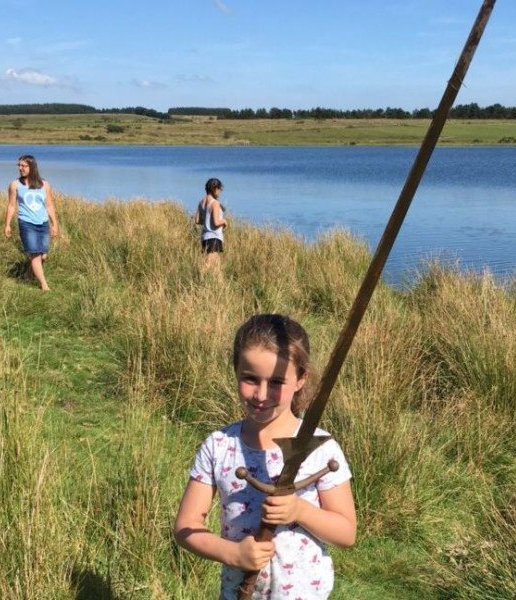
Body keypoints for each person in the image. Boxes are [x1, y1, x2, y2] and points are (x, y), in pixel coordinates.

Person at [174, 314, 356, 600]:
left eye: (276, 382)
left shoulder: (320, 448)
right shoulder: (219, 447)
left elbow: (346, 533)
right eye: (250, 379)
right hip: (239, 592)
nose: (261, 394)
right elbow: (186, 528)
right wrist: (233, 553)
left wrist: (300, 511)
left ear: (301, 379)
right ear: (236, 371)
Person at [3, 154, 59, 291]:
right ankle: (44, 286)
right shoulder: (15, 185)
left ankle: (28, 275)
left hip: (43, 223)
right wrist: (7, 224)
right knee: (35, 254)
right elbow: (11, 206)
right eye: (19, 165)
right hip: (26, 223)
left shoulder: (44, 184)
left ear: (32, 167)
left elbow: (50, 205)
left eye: (24, 166)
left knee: (43, 256)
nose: (20, 168)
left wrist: (54, 224)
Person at [193, 177, 227, 268]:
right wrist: (224, 221)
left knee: (217, 266)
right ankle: (199, 280)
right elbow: (216, 222)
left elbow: (197, 220)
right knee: (207, 265)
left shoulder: (201, 202)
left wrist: (207, 220)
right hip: (214, 237)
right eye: (219, 189)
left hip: (205, 237)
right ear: (215, 188)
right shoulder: (215, 203)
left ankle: (219, 282)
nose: (220, 192)